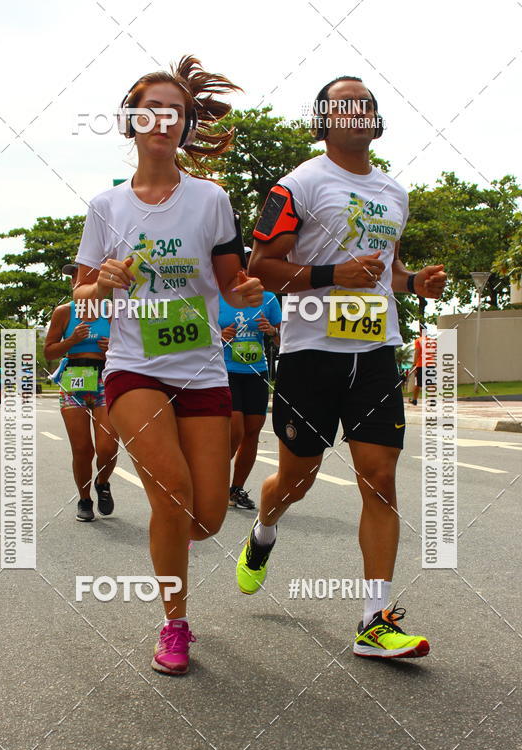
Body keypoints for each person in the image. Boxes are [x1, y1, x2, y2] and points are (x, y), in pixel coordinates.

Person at [236, 75, 446, 659]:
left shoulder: (394, 192)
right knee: (295, 482)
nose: (356, 111)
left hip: (376, 351)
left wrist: (415, 282)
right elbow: (261, 265)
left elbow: (389, 272)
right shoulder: (298, 185)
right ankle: (263, 530)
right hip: (310, 354)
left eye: (366, 104)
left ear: (376, 120)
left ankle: (374, 621)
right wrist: (331, 276)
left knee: (379, 479)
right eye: (343, 104)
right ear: (324, 120)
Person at [73, 55, 263, 675]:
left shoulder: (211, 199)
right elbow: (81, 294)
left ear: (185, 125)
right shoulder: (105, 207)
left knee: (204, 518)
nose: (162, 120)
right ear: (131, 121)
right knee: (171, 491)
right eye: (150, 110)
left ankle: (176, 578)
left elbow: (233, 284)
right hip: (133, 368)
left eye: (174, 112)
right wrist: (102, 280)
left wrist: (245, 293)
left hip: (203, 370)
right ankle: (174, 624)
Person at [44, 262, 119, 522]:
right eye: (73, 277)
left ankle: (102, 482)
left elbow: (135, 350)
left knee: (108, 447)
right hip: (74, 379)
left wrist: (113, 348)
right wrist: (71, 341)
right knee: (82, 449)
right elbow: (49, 352)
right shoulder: (64, 312)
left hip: (105, 379)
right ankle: (84, 499)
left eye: (82, 274)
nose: (76, 280)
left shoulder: (114, 311)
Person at [219, 251, 281, 509]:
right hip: (226, 370)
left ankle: (236, 489)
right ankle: (214, 482)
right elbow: (200, 337)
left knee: (252, 431)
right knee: (235, 430)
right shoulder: (218, 298)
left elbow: (282, 341)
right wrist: (219, 336)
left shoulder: (268, 299)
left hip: (256, 371)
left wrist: (273, 331)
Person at [409, 324, 436, 406]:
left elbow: (417, 353)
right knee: (431, 383)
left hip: (421, 365)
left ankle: (414, 400)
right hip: (430, 363)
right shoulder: (431, 340)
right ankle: (432, 400)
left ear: (420, 331)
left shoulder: (418, 340)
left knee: (418, 383)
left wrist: (414, 365)